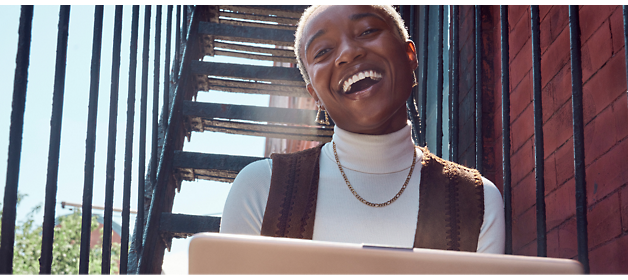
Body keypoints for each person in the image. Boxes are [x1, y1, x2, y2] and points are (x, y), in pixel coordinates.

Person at [220, 5, 505, 254]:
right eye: (323, 51)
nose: (348, 52)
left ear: (409, 56)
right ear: (314, 94)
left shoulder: (477, 202)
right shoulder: (262, 191)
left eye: (367, 31)